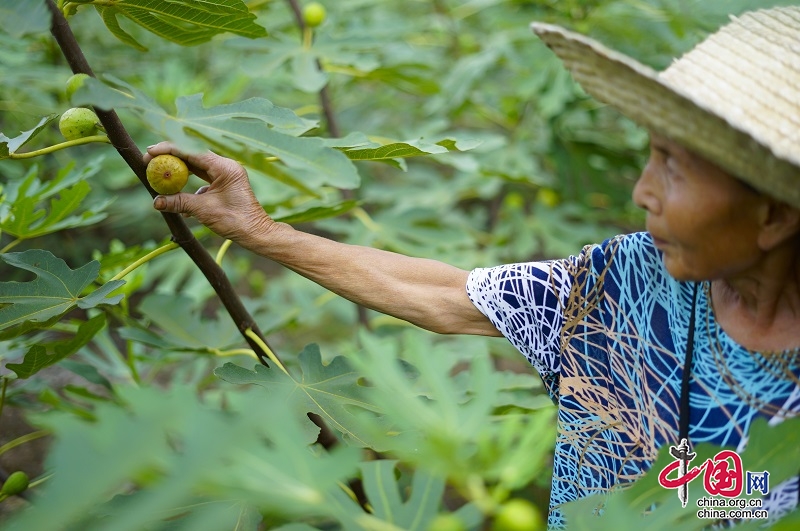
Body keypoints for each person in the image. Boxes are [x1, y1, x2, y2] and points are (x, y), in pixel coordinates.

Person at [145, 5, 800, 528]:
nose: (643, 192)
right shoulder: (622, 282)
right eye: (651, 155)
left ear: (773, 216)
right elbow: (444, 294)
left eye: (675, 168)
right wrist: (261, 231)